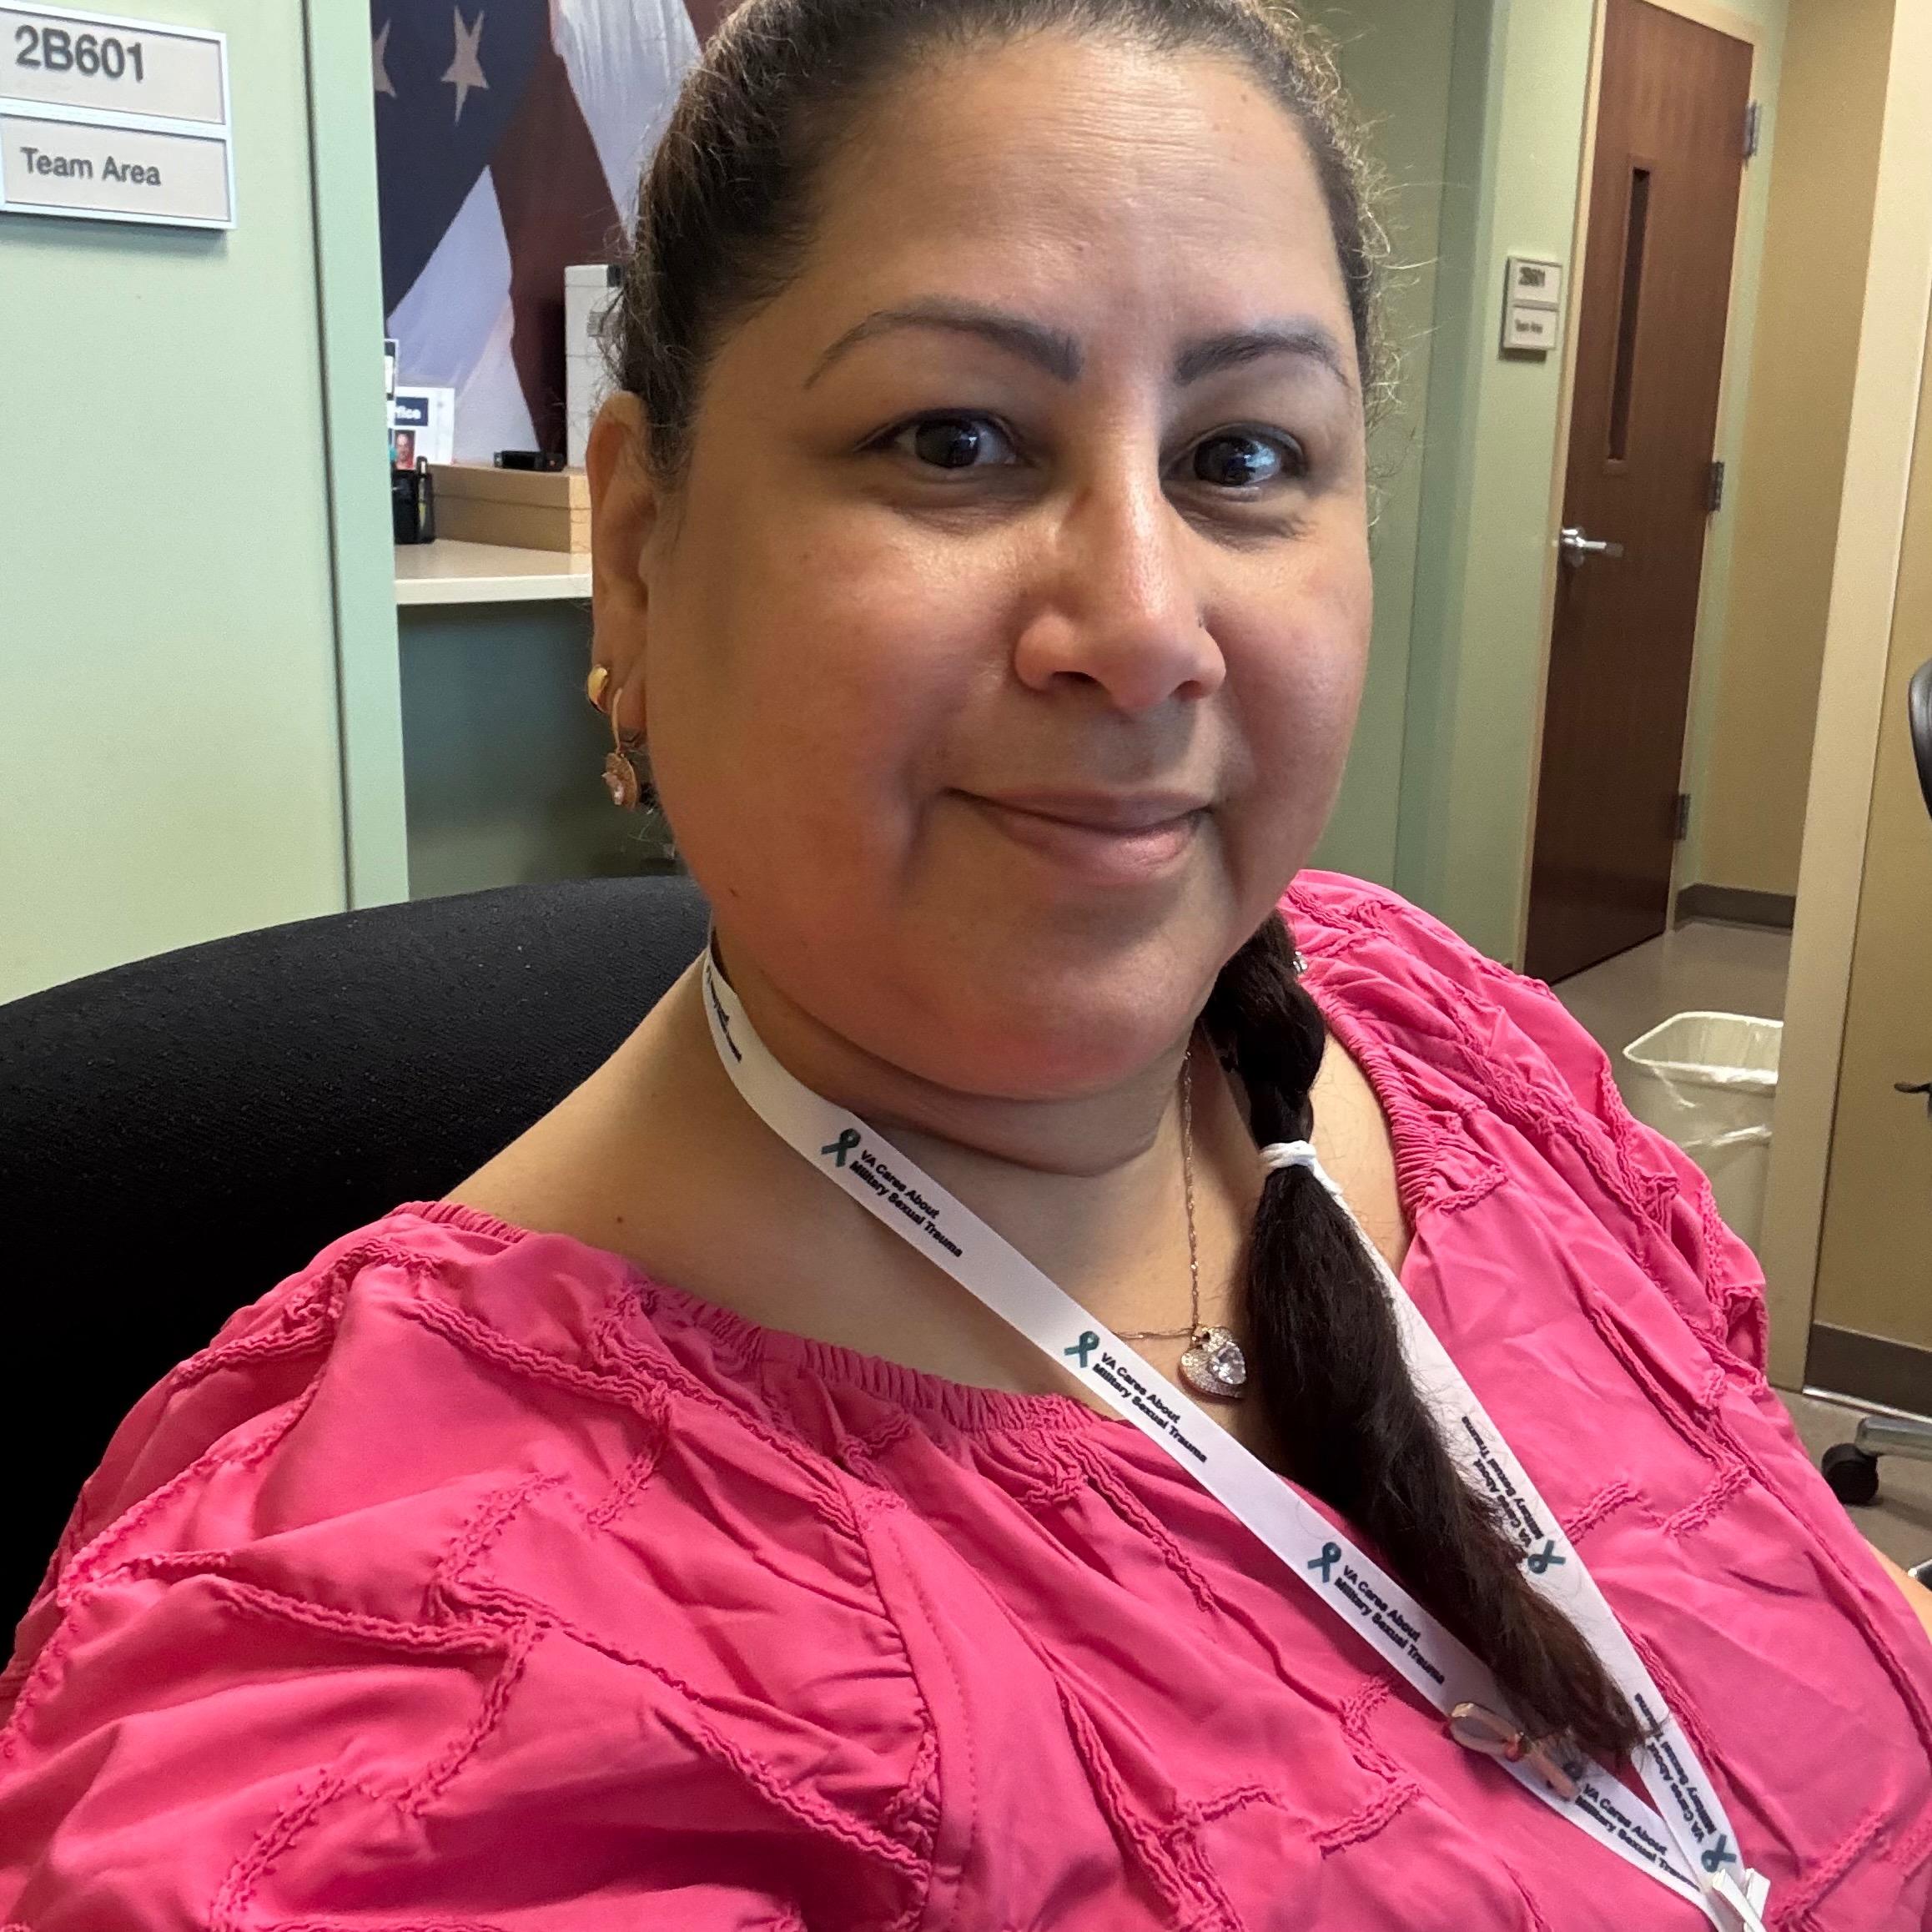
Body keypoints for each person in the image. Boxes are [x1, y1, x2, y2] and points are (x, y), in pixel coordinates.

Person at [3, 1, 1929, 1924]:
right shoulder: (405, 1685)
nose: (1144, 625)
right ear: (644, 556)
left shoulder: (1448, 1041)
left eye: (1242, 453)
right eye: (957, 439)